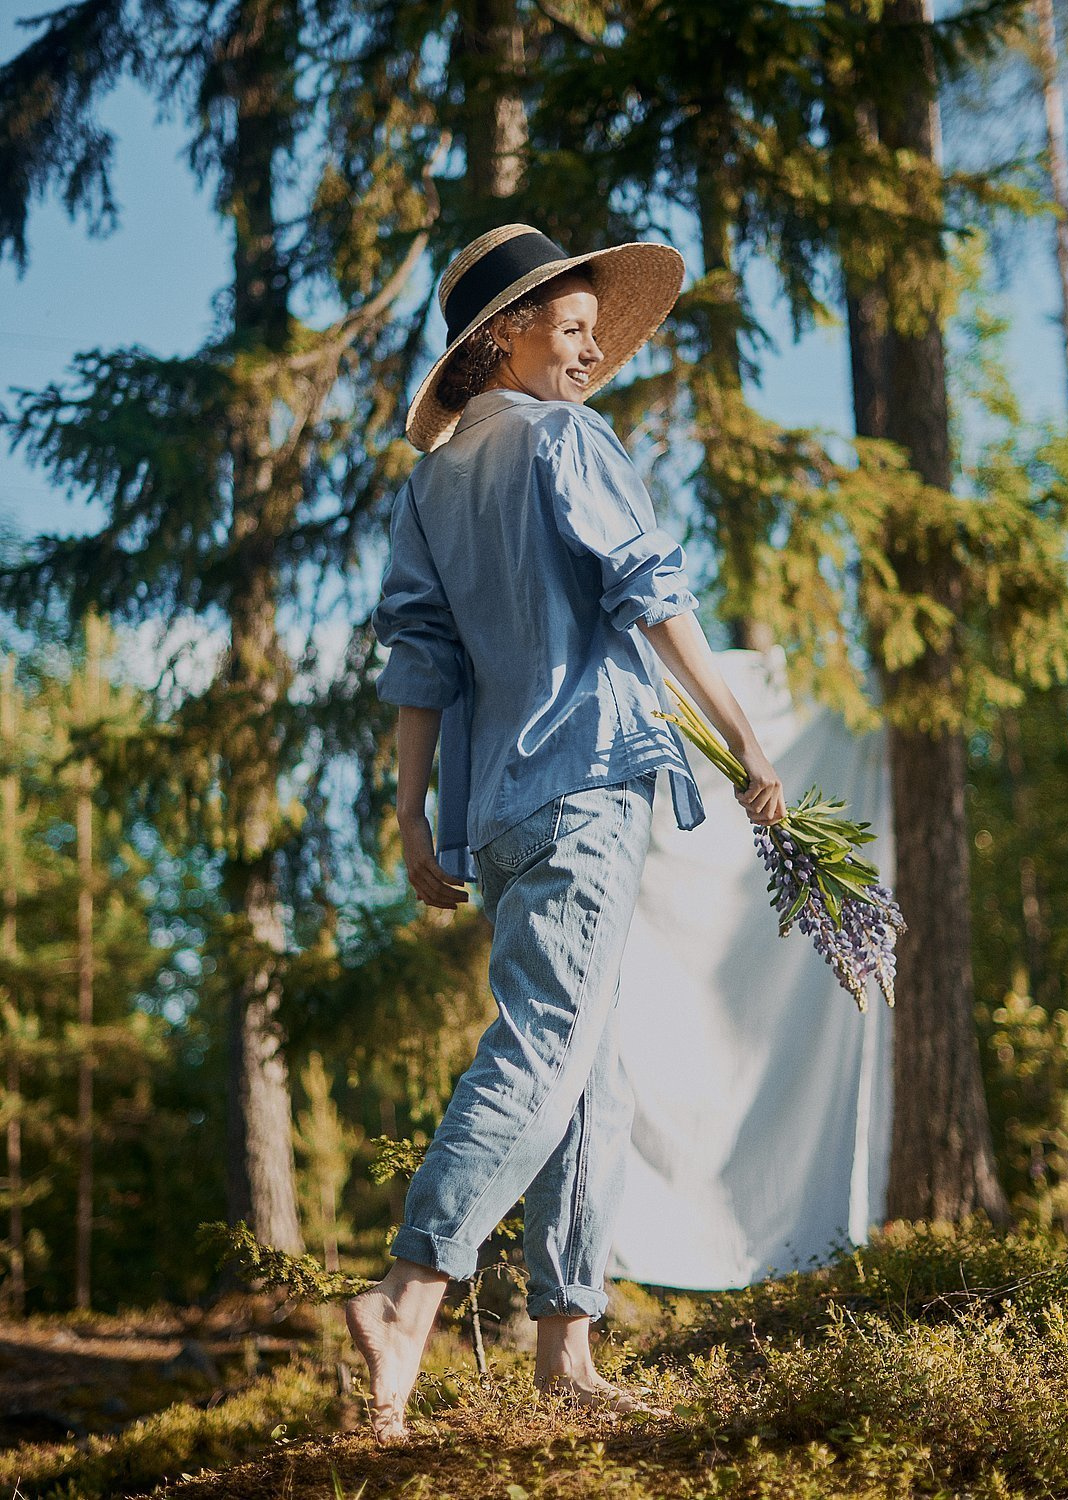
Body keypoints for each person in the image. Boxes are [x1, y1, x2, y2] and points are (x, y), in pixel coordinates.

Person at [347, 223, 786, 1441]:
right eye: (573, 329)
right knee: (548, 1047)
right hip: (589, 785)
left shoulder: (431, 486)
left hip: (495, 813)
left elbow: (421, 661)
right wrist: (746, 736)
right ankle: (406, 1293)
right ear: (506, 333)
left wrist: (414, 818)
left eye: (598, 333)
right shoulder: (567, 442)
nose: (592, 356)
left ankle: (566, 1352)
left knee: (589, 1058)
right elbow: (652, 594)